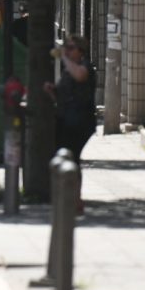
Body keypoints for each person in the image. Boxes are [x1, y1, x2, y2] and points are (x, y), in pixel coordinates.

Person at [43, 34, 97, 212]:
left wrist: (64, 58)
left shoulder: (84, 66)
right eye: (66, 47)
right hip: (66, 118)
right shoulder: (68, 70)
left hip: (80, 120)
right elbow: (62, 95)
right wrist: (52, 92)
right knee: (69, 157)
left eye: (71, 47)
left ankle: (76, 199)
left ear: (81, 51)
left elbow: (80, 76)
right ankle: (70, 196)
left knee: (72, 157)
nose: (67, 50)